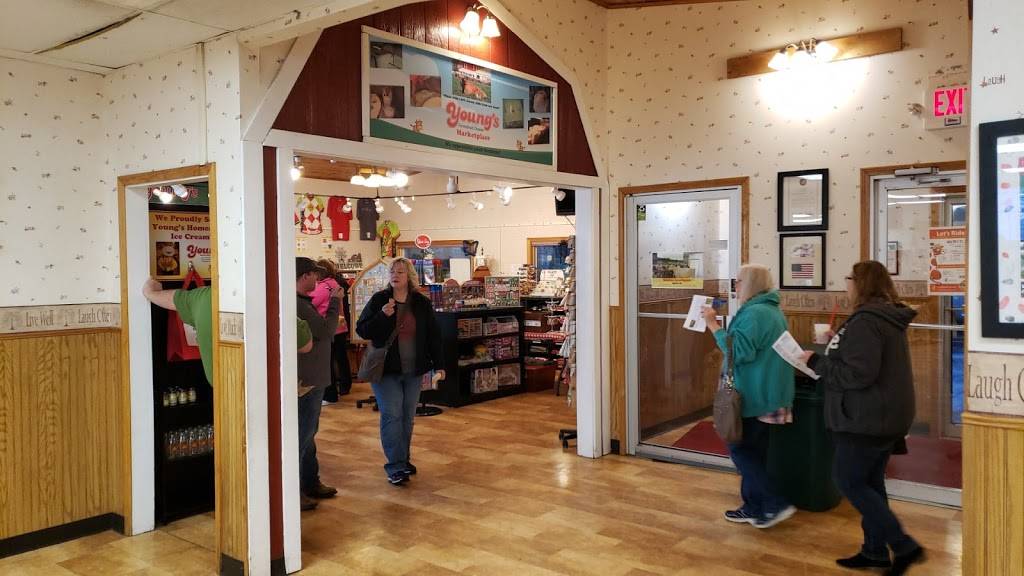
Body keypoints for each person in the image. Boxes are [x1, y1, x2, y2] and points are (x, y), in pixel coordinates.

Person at [801, 261, 924, 574]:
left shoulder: (866, 321)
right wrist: (836, 344)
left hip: (865, 417)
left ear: (861, 283)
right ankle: (874, 552)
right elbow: (863, 359)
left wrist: (816, 361)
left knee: (849, 481)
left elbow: (858, 374)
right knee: (870, 483)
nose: (846, 283)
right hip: (883, 415)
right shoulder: (882, 316)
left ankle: (903, 545)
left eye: (850, 277)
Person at [701, 264, 796, 529]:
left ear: (749, 283)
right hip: (767, 393)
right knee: (755, 452)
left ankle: (775, 503)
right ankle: (754, 507)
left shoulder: (755, 313)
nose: (735, 286)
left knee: (740, 450)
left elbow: (738, 352)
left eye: (738, 281)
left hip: (755, 395)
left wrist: (713, 325)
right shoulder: (770, 310)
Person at [356, 258, 445, 485]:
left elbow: (433, 335)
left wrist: (440, 364)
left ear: (410, 276)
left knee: (407, 417)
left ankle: (403, 459)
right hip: (386, 370)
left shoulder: (421, 303)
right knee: (391, 415)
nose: (395, 275)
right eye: (392, 272)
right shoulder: (380, 300)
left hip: (413, 370)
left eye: (400, 272)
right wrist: (382, 316)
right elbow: (363, 330)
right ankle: (395, 466)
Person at [296, 257, 342, 510]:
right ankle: (296, 491)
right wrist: (335, 301)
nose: (318, 279)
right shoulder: (299, 305)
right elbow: (325, 331)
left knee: (308, 434)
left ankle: (310, 482)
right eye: (315, 274)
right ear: (305, 276)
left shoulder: (302, 302)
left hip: (311, 377)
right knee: (303, 435)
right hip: (308, 379)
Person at [143, 277, 214, 385]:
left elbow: (170, 298)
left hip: (222, 389)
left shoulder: (204, 297)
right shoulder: (204, 296)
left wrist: (150, 291)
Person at [311, 259, 352, 403]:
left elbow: (312, 302)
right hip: (340, 326)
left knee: (327, 362)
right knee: (341, 358)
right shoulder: (334, 283)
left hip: (329, 328)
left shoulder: (324, 286)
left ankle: (330, 394)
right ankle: (345, 386)